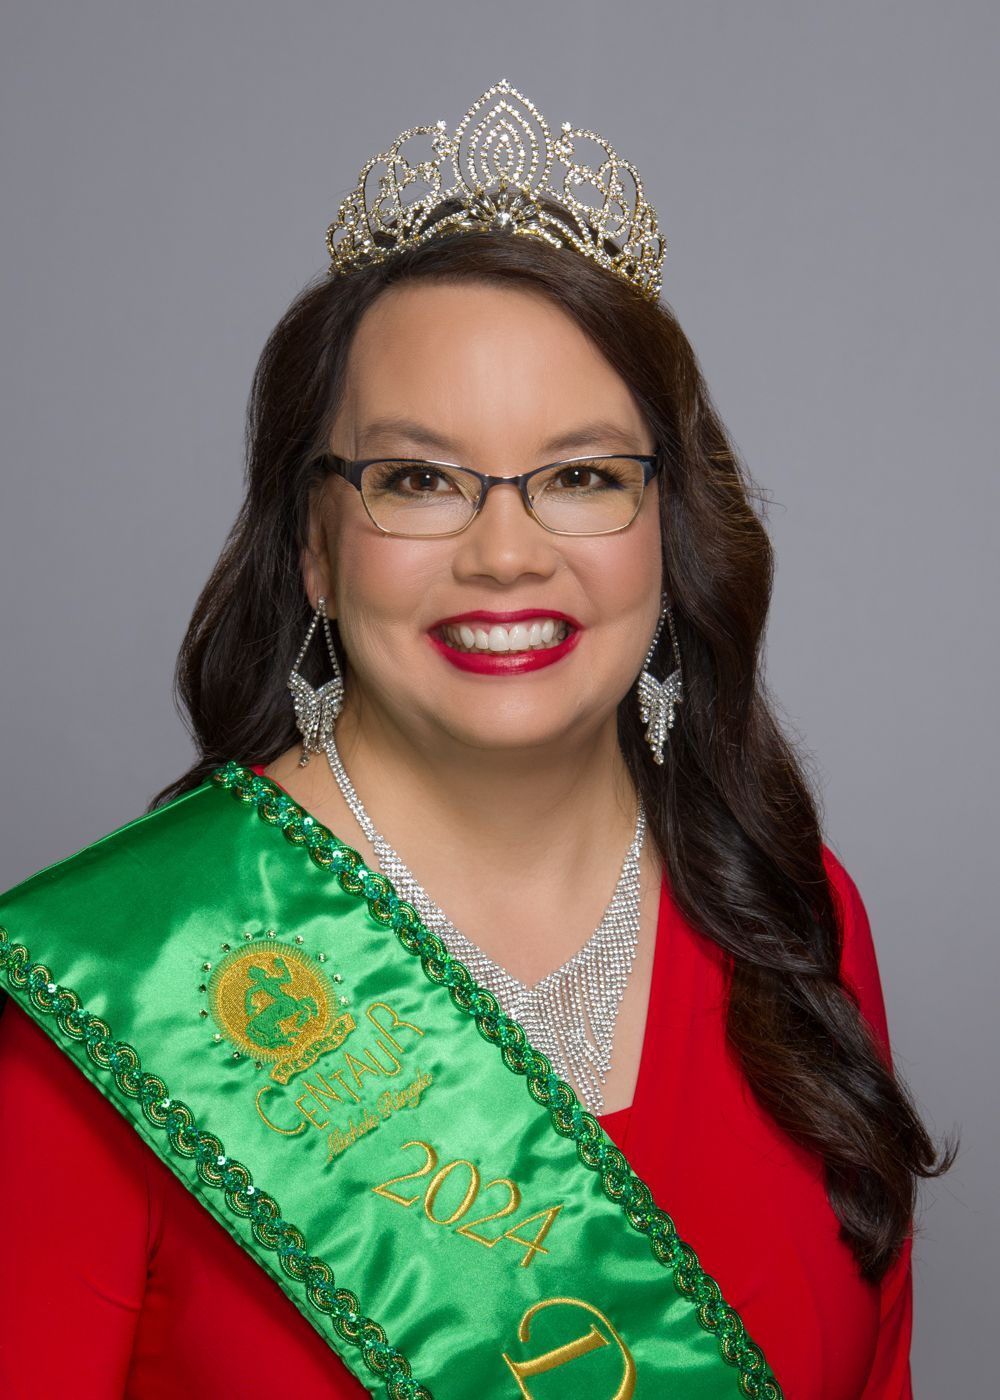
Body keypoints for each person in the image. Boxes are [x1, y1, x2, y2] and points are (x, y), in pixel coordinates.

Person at [0, 80, 952, 1400]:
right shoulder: (113, 998)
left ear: (666, 536)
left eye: (582, 476)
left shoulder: (791, 917)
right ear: (315, 547)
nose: (506, 553)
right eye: (418, 480)